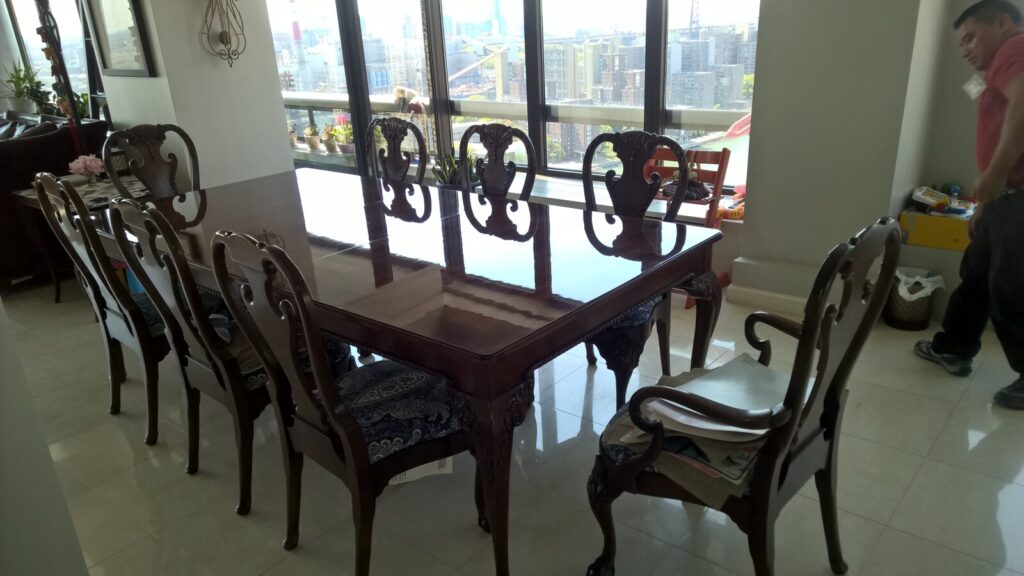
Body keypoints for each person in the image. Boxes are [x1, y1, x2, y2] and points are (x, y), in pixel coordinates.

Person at [915, 0, 1024, 409]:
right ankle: (954, 347)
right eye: (961, 43)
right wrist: (985, 204)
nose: (965, 49)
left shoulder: (1016, 47)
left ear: (1004, 22)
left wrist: (995, 174)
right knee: (976, 273)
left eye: (971, 37)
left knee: (1010, 287)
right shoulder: (998, 67)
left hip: (1017, 197)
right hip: (1004, 201)